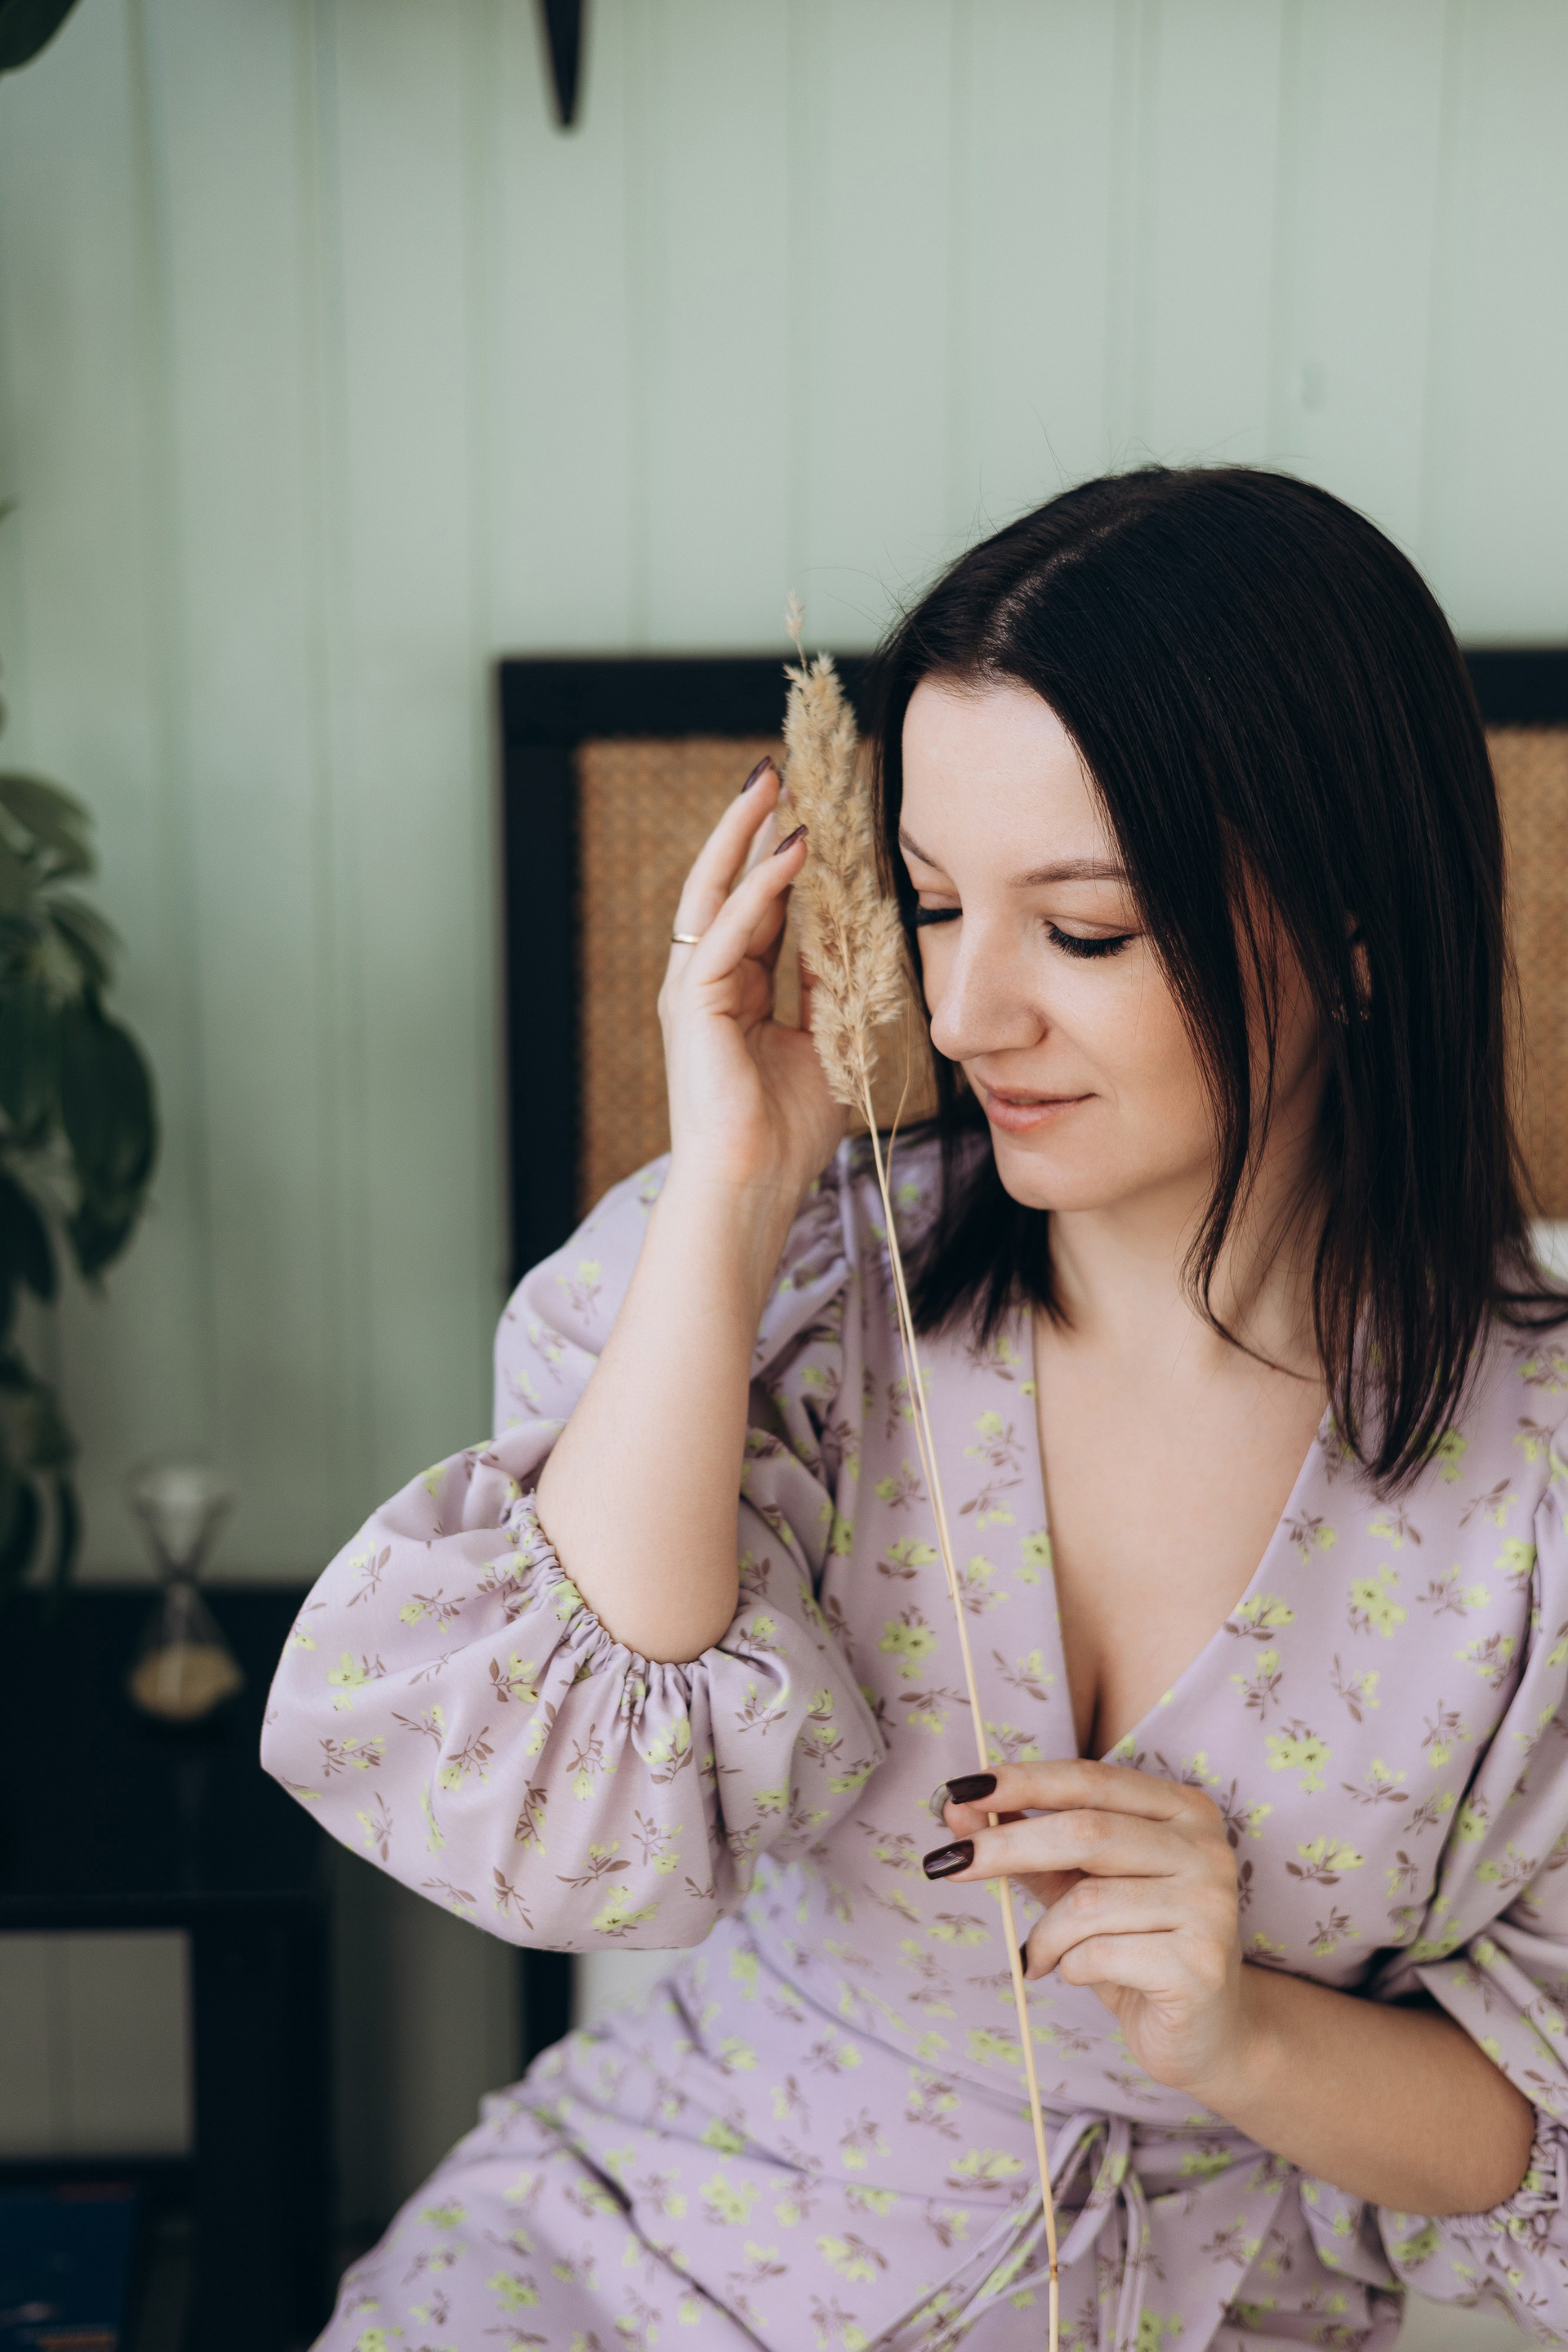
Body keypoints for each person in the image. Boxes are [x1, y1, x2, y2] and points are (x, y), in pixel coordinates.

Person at [265, 466, 1568, 2352]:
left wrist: (1238, 2032)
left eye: (1087, 930)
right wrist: (735, 1186)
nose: (965, 1016)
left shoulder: (1535, 1482)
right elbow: (554, 1832)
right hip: (645, 2237)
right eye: (935, 905)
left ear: (1360, 931)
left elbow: (1528, 2132)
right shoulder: (805, 1296)